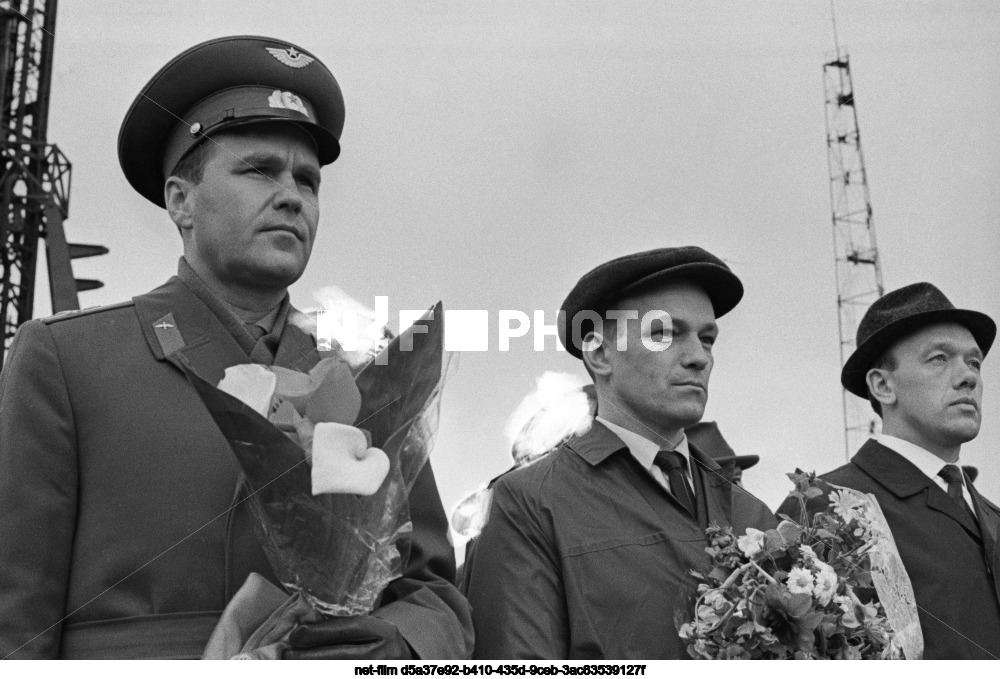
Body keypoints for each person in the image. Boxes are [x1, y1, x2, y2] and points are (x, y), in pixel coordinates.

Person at [0, 36, 472, 660]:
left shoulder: (369, 367)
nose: (292, 196)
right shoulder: (68, 359)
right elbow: (15, 608)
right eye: (258, 170)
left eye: (308, 180)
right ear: (180, 200)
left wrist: (383, 644)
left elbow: (435, 592)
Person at [462, 246, 776, 659]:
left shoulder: (753, 515)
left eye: (707, 338)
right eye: (664, 334)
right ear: (599, 353)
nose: (699, 357)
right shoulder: (529, 502)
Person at [777, 282, 1000, 659]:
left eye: (974, 362)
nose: (969, 377)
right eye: (939, 358)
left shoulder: (991, 516)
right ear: (882, 385)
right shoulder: (824, 504)